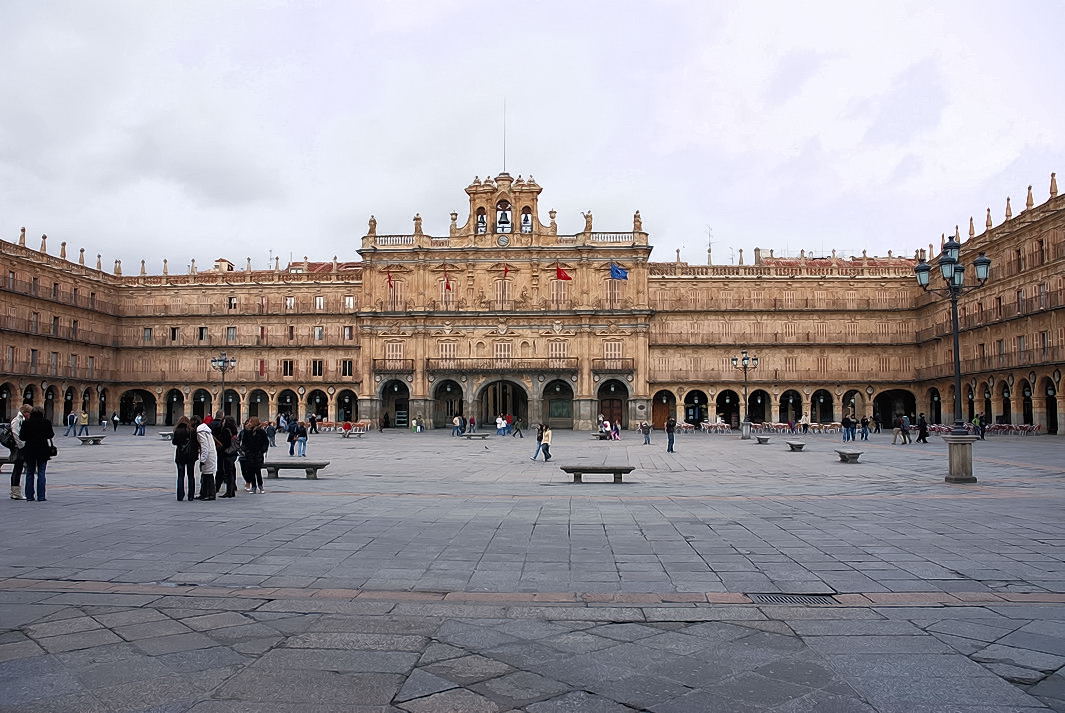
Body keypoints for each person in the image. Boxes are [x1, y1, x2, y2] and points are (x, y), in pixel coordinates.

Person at [19, 407, 54, 502]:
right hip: (43, 450)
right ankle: (41, 496)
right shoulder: (46, 422)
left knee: (29, 473)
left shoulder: (26, 423)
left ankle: (29, 496)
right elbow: (51, 435)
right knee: (41, 473)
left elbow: (22, 437)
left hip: (30, 450)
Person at [239, 417, 270, 494]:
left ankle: (260, 486)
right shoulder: (247, 431)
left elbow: (266, 442)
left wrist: (262, 450)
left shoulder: (261, 432)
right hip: (249, 454)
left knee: (258, 471)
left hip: (258, 454)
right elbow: (244, 442)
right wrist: (245, 450)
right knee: (251, 471)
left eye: (250, 421)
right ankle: (253, 486)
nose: (249, 423)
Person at [171, 416, 197, 501]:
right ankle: (191, 496)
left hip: (180, 455)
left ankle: (180, 496)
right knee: (191, 476)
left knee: (180, 476)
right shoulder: (192, 431)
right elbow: (195, 444)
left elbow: (174, 442)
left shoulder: (177, 431)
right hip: (190, 456)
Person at [8, 405, 31, 500]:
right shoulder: (17, 420)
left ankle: (15, 492)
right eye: (29, 413)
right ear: (25, 412)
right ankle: (15, 493)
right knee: (17, 470)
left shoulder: (21, 419)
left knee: (18, 469)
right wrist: (22, 445)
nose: (30, 416)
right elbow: (16, 434)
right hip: (18, 449)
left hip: (19, 447)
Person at [213, 416, 239, 497]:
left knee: (226, 472)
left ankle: (228, 492)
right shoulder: (234, 430)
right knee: (230, 472)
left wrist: (220, 447)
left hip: (226, 453)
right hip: (232, 453)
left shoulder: (226, 431)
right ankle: (231, 491)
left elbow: (226, 443)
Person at [192, 415, 216, 500]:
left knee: (208, 475)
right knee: (205, 475)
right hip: (211, 453)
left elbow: (204, 445)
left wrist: (203, 459)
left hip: (208, 455)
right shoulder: (205, 429)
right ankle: (204, 493)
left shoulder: (200, 431)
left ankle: (210, 494)